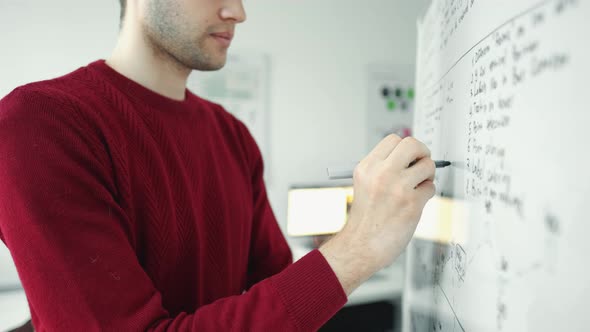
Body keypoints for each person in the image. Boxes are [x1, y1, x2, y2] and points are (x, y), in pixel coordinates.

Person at [0, 0, 436, 330]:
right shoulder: (37, 124)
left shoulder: (233, 137)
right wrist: (358, 249)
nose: (238, 12)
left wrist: (357, 234)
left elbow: (280, 291)